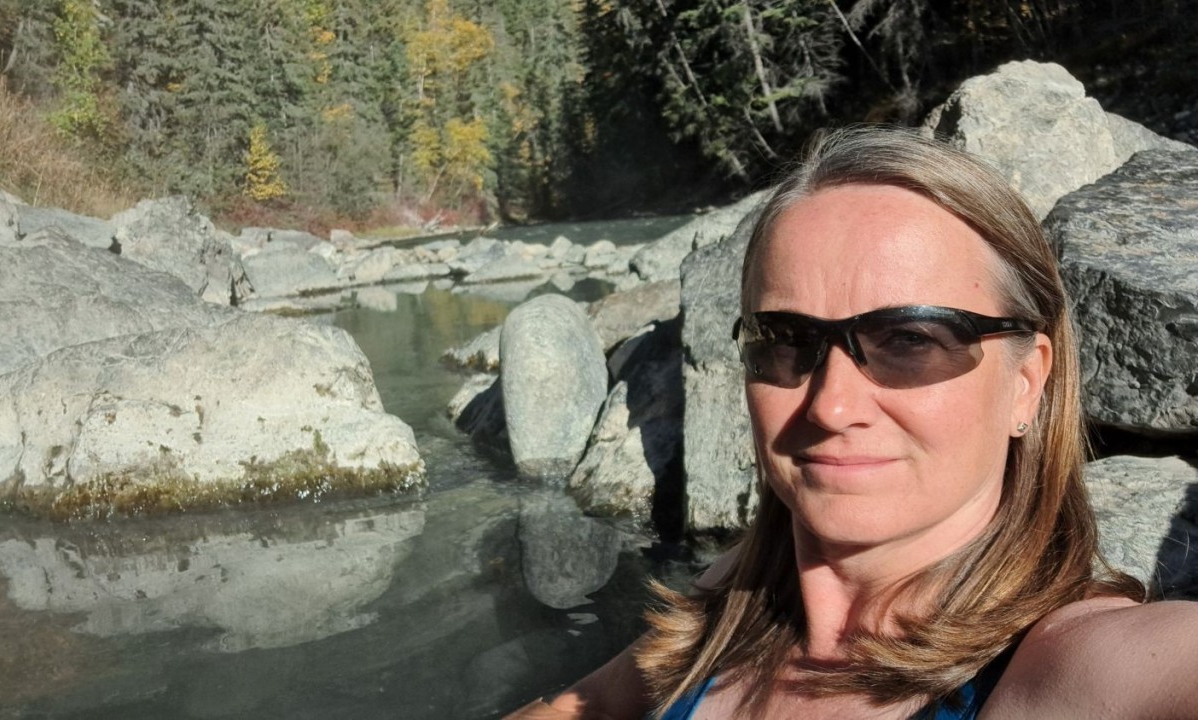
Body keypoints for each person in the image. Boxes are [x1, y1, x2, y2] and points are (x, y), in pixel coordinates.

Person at [506, 126, 1198, 720]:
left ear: (1026, 383)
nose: (831, 406)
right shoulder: (738, 600)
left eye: (911, 340)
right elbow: (583, 705)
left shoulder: (1066, 668)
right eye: (785, 341)